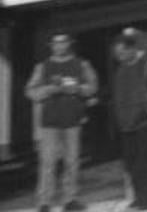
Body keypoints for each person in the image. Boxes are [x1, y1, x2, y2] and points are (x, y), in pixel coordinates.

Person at [24, 32, 98, 212]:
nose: (59, 46)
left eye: (63, 42)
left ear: (69, 44)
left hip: (73, 120)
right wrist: (48, 90)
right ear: (51, 45)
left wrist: (78, 89)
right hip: (50, 122)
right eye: (56, 43)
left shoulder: (82, 64)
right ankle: (44, 202)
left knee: (72, 161)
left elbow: (93, 86)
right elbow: (30, 91)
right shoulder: (42, 67)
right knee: (47, 162)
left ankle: (70, 199)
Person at [111, 30, 147, 212]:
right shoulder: (119, 71)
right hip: (126, 125)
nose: (120, 56)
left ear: (133, 49)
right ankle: (136, 197)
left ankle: (145, 199)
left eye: (123, 52)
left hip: (145, 123)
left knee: (144, 163)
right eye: (117, 53)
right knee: (130, 164)